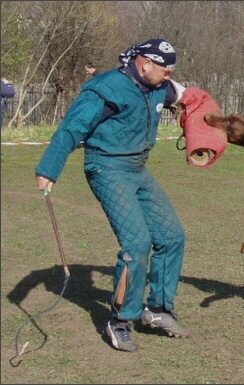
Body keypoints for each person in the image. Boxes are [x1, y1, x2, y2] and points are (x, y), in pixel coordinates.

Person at [35, 38, 192, 353]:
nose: (169, 76)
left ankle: (158, 310)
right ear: (143, 63)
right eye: (164, 69)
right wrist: (48, 170)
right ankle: (120, 320)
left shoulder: (159, 85)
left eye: (171, 70)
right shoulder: (104, 89)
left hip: (137, 168)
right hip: (106, 168)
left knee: (172, 236)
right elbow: (71, 129)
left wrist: (206, 119)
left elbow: (189, 96)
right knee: (136, 244)